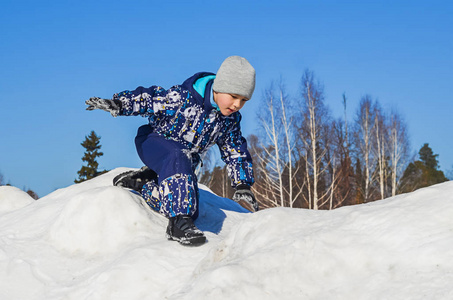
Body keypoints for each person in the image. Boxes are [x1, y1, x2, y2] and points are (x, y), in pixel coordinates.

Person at [85, 56, 258, 246]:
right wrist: (119, 104)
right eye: (234, 97)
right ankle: (178, 224)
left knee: (189, 204)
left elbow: (235, 149)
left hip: (183, 162)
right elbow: (150, 100)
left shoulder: (229, 121)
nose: (237, 105)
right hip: (154, 142)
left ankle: (145, 184)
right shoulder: (183, 98)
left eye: (243, 100)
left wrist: (242, 184)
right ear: (219, 87)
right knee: (178, 157)